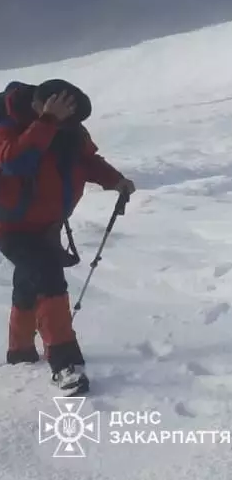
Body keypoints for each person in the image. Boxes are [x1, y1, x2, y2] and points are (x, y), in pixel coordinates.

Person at [0, 79, 135, 394]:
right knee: (47, 275)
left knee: (29, 280)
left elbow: (86, 160)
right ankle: (64, 362)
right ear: (40, 105)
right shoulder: (7, 124)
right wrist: (47, 122)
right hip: (9, 227)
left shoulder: (69, 128)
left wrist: (115, 180)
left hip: (47, 226)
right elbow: (15, 162)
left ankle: (19, 352)